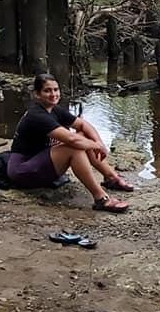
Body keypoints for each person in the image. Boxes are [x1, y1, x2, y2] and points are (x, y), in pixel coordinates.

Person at [8, 73, 133, 212]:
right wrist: (96, 146)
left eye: (55, 90)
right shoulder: (37, 115)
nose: (53, 94)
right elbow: (72, 139)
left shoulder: (53, 109)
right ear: (37, 94)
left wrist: (98, 142)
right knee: (74, 147)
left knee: (84, 135)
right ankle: (101, 199)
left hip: (40, 161)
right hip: (22, 171)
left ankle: (111, 177)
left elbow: (83, 125)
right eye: (47, 90)